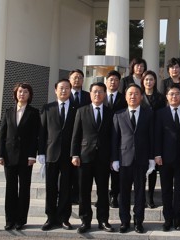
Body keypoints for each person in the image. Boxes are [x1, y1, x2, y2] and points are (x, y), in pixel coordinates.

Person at [70, 82, 114, 233]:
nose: (97, 94)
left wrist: (113, 157)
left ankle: (103, 220)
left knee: (103, 191)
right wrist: (74, 154)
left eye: (101, 92)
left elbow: (112, 137)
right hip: (84, 157)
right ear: (90, 94)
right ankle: (85, 221)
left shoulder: (109, 112)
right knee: (84, 191)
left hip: (103, 158)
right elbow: (76, 135)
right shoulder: (82, 111)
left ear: (104, 94)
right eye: (95, 91)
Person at [111, 84, 155, 234]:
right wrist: (114, 159)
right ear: (125, 96)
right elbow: (115, 139)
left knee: (140, 193)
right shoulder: (118, 114)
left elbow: (151, 137)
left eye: (136, 93)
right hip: (124, 160)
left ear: (141, 96)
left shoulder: (148, 113)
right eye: (130, 93)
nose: (133, 96)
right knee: (123, 193)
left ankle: (138, 222)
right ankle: (124, 222)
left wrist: (151, 158)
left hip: (142, 160)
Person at [0, 83, 40, 231]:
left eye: (25, 92)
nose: (22, 94)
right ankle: (10, 220)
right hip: (9, 156)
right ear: (15, 94)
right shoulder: (8, 111)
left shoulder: (34, 113)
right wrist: (0, 155)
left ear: (30, 95)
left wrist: (32, 155)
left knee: (24, 189)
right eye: (20, 91)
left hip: (26, 157)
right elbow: (2, 135)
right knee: (10, 188)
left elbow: (35, 136)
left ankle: (21, 220)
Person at [38, 79, 77, 231]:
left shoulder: (76, 109)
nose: (64, 91)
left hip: (69, 155)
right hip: (51, 153)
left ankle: (64, 218)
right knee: (51, 187)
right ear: (55, 90)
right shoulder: (47, 108)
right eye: (61, 88)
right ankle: (50, 217)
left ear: (70, 90)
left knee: (66, 187)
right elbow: (42, 133)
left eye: (67, 88)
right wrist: (41, 152)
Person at [155, 85, 180, 232]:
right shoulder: (160, 113)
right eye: (171, 94)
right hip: (165, 158)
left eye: (177, 94)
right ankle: (167, 219)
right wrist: (157, 154)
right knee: (166, 190)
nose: (174, 97)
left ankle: (178, 219)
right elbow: (156, 136)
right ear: (167, 97)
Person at [140, 70, 166, 209]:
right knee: (144, 168)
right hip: (143, 136)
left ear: (155, 81)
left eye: (151, 79)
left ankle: (150, 198)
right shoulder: (139, 96)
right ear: (142, 81)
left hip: (156, 135)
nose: (149, 82)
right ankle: (142, 197)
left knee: (153, 169)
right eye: (146, 79)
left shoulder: (161, 98)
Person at [103, 70, 127, 209]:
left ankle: (114, 195)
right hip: (102, 138)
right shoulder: (99, 95)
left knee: (115, 170)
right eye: (111, 79)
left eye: (116, 80)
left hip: (119, 138)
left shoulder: (124, 98)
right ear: (106, 81)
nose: (113, 82)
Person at [68, 69, 91, 204]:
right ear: (70, 79)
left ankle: (77, 194)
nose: (77, 80)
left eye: (80, 78)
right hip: (67, 137)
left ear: (83, 80)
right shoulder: (65, 95)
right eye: (74, 77)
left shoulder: (88, 96)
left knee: (79, 170)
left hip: (83, 139)